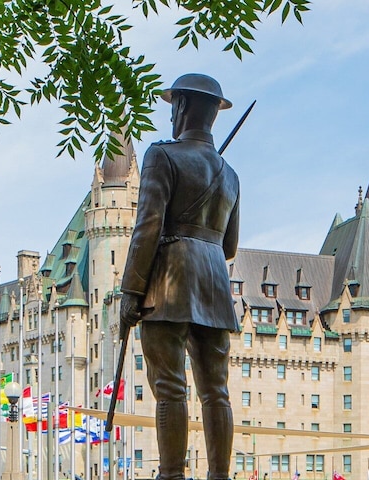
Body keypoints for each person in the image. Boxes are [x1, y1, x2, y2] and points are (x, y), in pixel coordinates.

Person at [119, 72, 241, 480]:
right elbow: (229, 247)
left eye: (174, 105)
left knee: (170, 387)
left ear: (183, 107)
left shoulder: (161, 155)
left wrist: (131, 290)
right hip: (215, 285)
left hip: (170, 282)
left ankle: (172, 474)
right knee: (215, 392)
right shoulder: (230, 174)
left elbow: (147, 226)